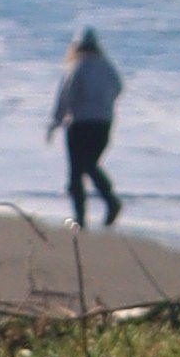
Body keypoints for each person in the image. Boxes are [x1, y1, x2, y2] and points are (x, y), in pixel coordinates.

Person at [48, 27, 125, 228]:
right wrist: (103, 105)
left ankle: (82, 219)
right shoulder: (107, 66)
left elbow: (65, 96)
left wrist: (55, 122)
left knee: (76, 173)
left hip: (79, 125)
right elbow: (119, 88)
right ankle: (110, 200)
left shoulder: (76, 66)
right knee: (90, 166)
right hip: (103, 125)